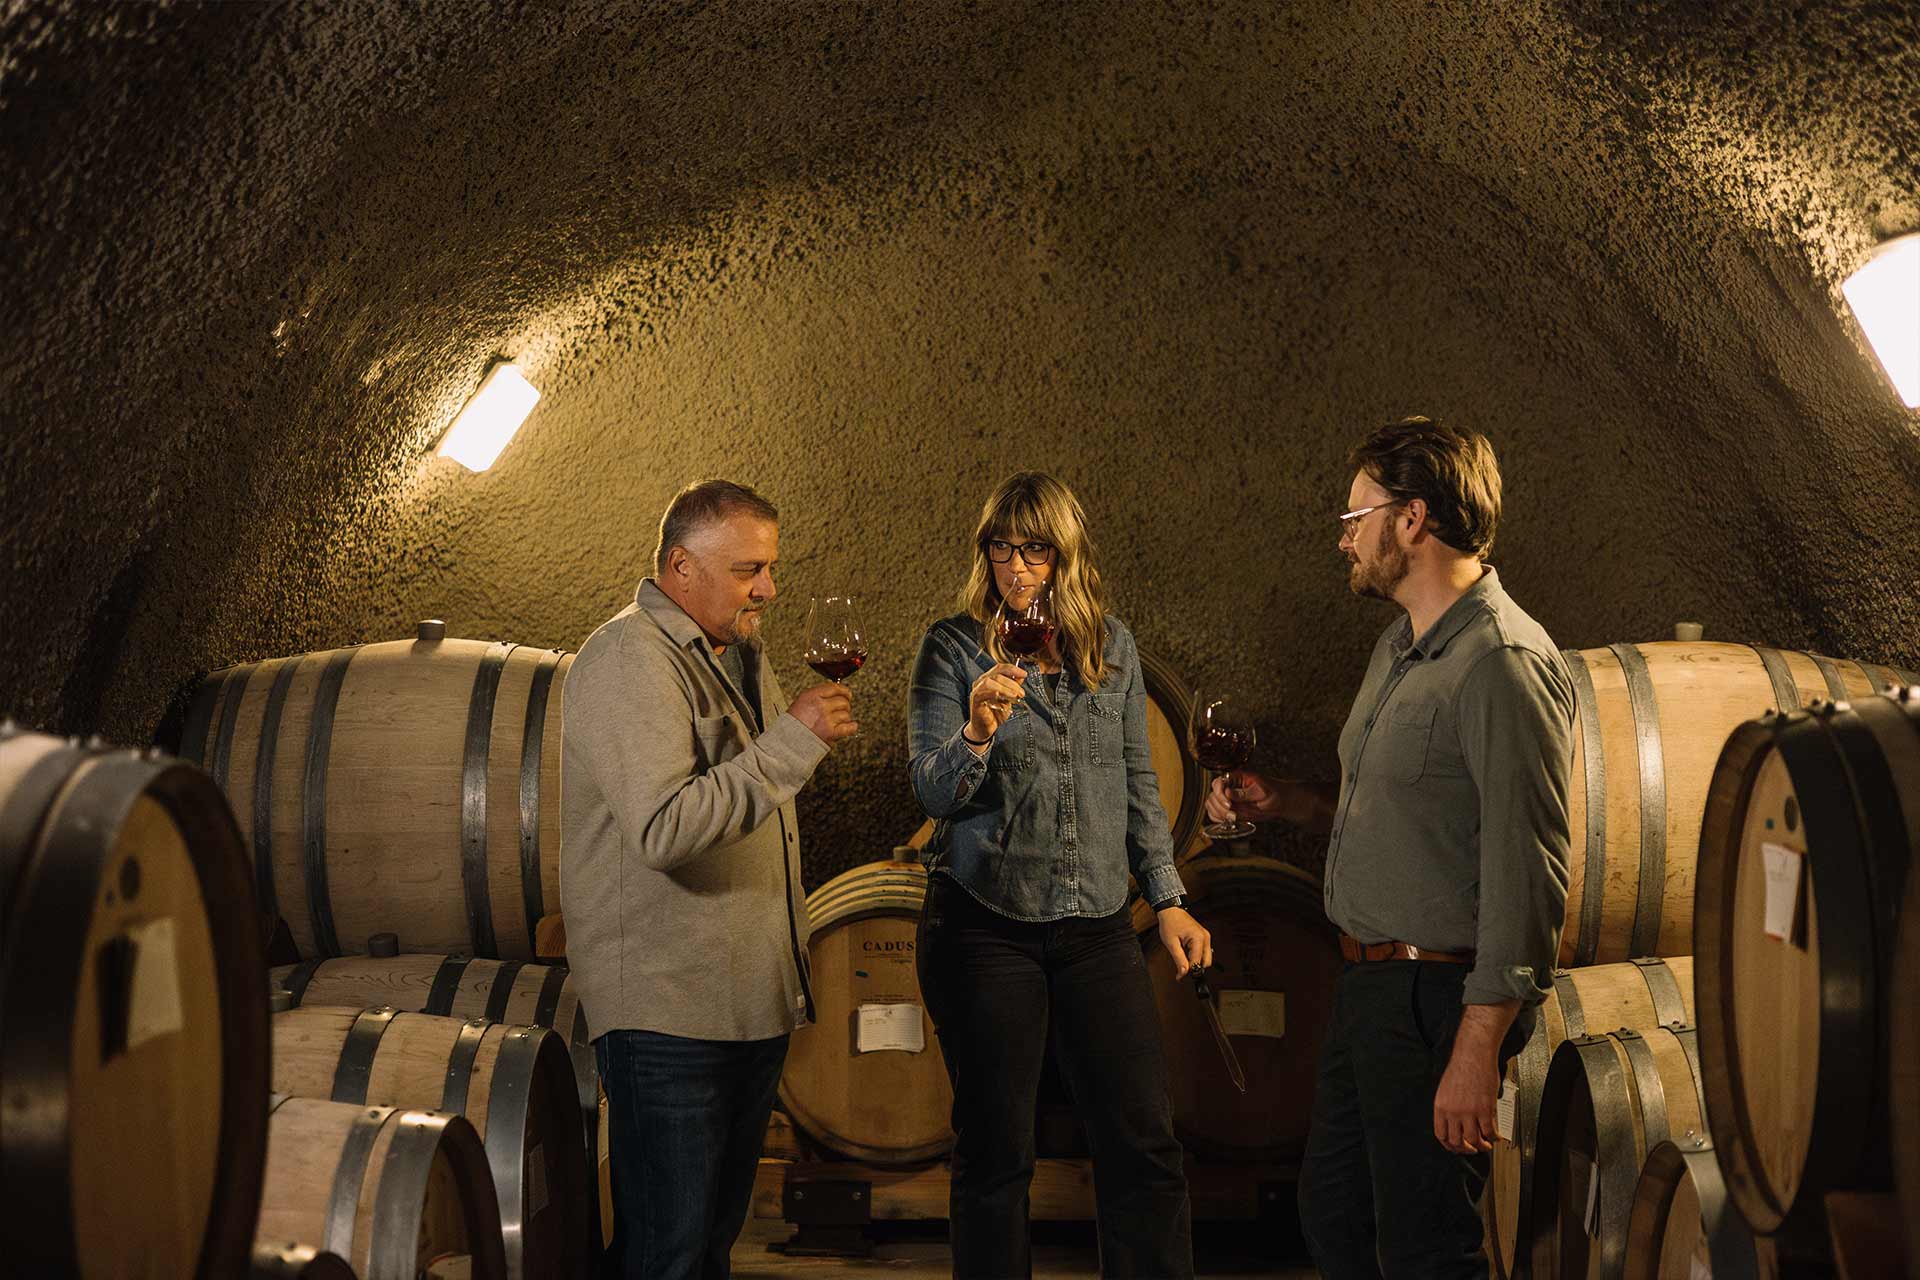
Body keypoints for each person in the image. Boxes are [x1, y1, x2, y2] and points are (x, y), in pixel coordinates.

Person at [1209, 417, 1575, 1277]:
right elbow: (1418, 820)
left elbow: (1530, 870)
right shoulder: (1401, 647)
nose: (1345, 540)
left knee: (1425, 1251)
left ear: (1411, 520)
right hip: (1372, 989)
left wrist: (1477, 1048)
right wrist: (1293, 804)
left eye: (1354, 519)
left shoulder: (1502, 663)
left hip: (1436, 1001)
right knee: (1336, 1221)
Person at [908, 470, 1211, 1280]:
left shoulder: (1113, 647)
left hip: (1096, 928)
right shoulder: (952, 646)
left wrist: (1169, 897)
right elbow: (932, 790)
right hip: (985, 926)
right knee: (995, 1156)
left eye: (1033, 550)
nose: (1015, 568)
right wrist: (975, 731)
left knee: (1142, 1144)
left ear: (1064, 555)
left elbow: (1138, 783)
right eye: (1002, 549)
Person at [562, 478, 858, 1280]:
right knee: (668, 1251)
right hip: (670, 1010)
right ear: (680, 567)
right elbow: (665, 829)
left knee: (707, 1251)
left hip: (738, 1000)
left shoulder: (732, 653)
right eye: (747, 570)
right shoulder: (628, 657)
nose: (769, 587)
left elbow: (750, 807)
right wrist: (794, 738)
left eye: (769, 567)